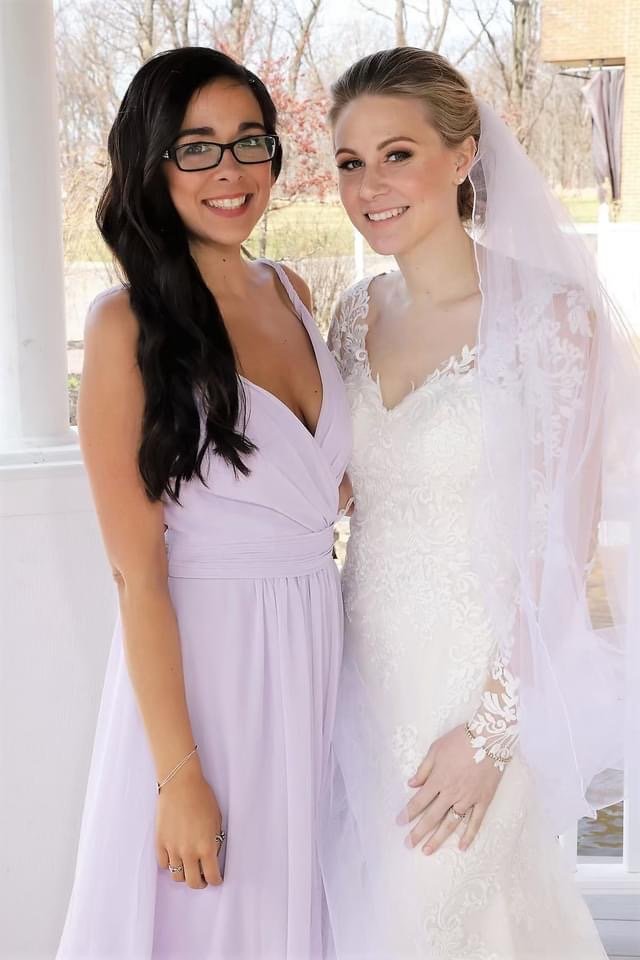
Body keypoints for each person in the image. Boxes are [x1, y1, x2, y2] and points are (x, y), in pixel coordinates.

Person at [326, 47, 637, 959]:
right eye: (349, 162)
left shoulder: (551, 315)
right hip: (362, 686)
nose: (370, 184)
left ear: (462, 157)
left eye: (398, 154)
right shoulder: (352, 315)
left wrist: (494, 731)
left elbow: (562, 548)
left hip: (481, 694)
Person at [57, 47, 352, 959]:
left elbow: (313, 485)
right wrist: (177, 776)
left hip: (317, 654)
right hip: (211, 675)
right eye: (197, 148)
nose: (230, 171)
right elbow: (136, 575)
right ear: (152, 164)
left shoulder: (293, 292)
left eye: (248, 141)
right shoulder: (124, 325)